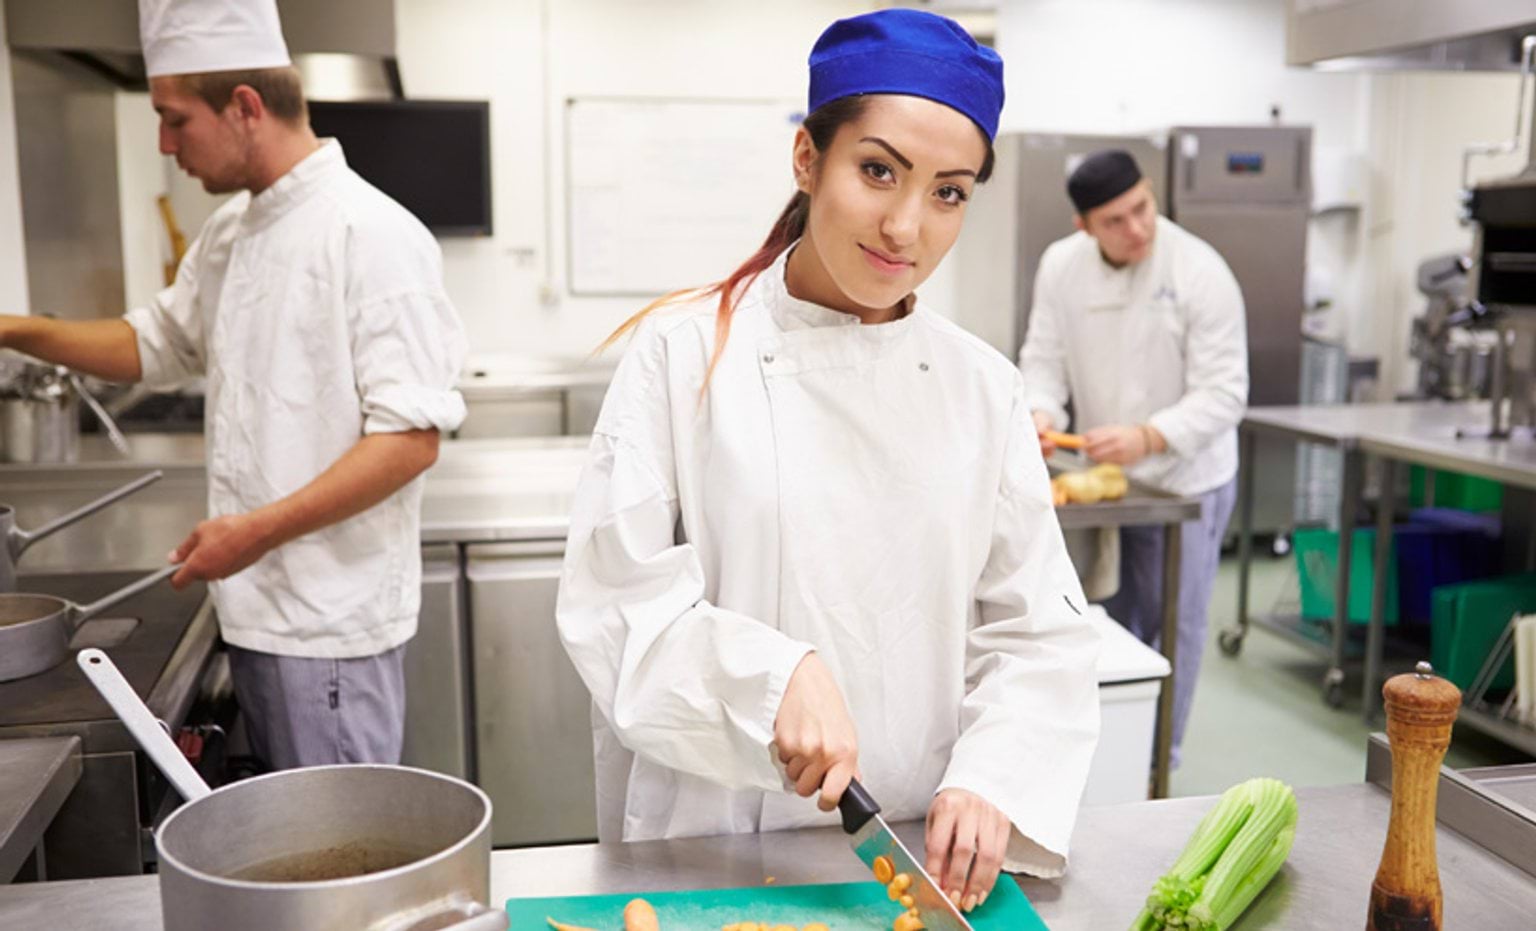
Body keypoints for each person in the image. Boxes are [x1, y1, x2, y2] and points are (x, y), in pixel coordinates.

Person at [556, 9, 1100, 912]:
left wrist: (995, 774)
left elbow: (1037, 629)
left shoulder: (982, 390)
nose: (905, 226)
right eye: (877, 170)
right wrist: (772, 679)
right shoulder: (683, 356)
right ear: (808, 159)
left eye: (948, 191)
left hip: (911, 859)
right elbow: (614, 604)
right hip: (713, 846)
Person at [0, 0, 466, 770]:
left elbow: (408, 442)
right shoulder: (232, 232)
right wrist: (14, 329)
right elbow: (152, 342)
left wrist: (251, 530)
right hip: (253, 613)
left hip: (327, 632)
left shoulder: (370, 233)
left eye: (175, 119)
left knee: (339, 864)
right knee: (300, 859)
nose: (164, 143)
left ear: (245, 107)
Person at [1019, 149, 1248, 764]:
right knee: (1101, 616)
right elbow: (1043, 360)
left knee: (1177, 621)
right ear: (1085, 227)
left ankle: (1159, 757)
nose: (1138, 228)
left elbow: (1225, 393)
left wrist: (1149, 436)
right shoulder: (1061, 267)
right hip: (1105, 478)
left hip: (1184, 477)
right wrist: (1041, 415)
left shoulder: (1200, 270)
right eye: (1116, 221)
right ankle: (1103, 748)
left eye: (1142, 209)